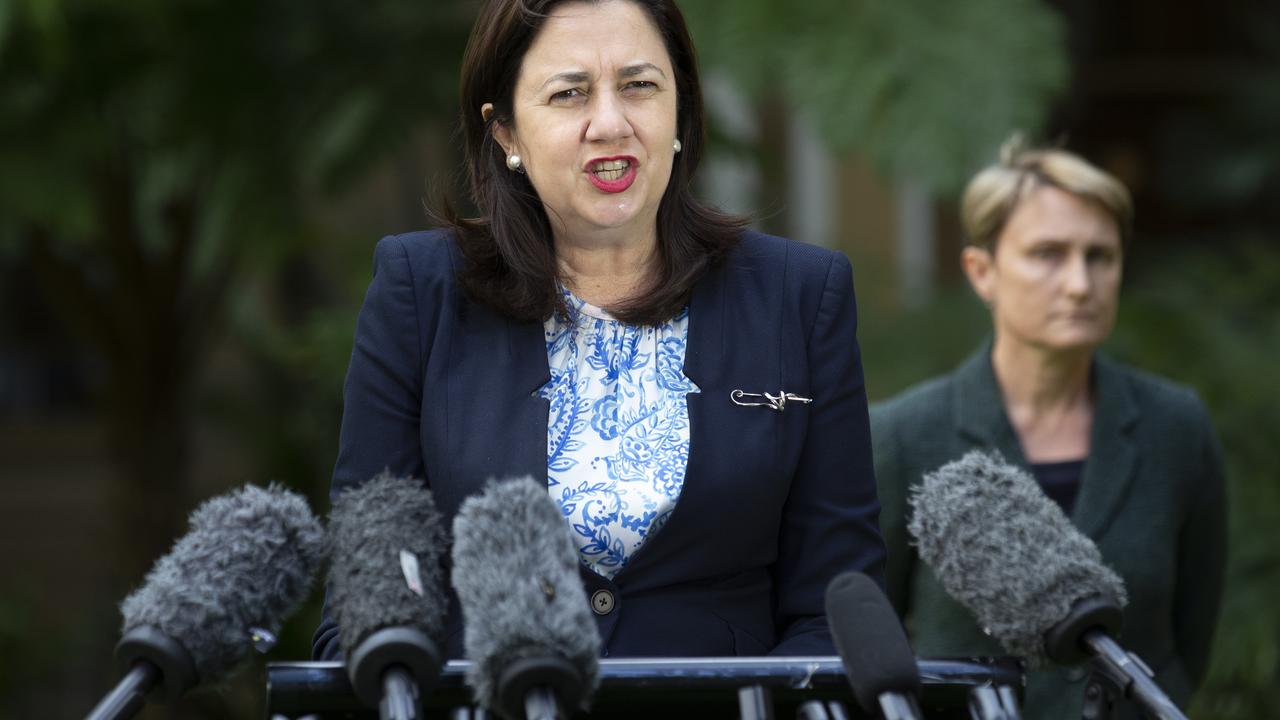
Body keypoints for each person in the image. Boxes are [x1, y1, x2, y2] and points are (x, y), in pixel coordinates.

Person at [311, 0, 885, 662]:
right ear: (505, 134)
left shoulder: (799, 296)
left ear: (681, 109)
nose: (610, 123)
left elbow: (838, 609)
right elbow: (368, 601)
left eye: (639, 86)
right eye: (569, 94)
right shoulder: (420, 292)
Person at [872, 138, 1226, 718]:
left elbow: (1190, 637)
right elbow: (863, 643)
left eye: (1099, 256)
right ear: (982, 272)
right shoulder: (902, 435)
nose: (1080, 284)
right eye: (1047, 254)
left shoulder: (1176, 427)